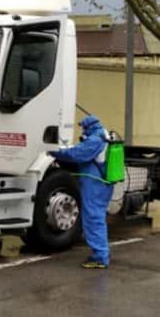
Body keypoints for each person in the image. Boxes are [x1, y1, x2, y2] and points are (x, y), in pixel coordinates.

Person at [49, 114, 114, 269]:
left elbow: (77, 155)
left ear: (88, 126)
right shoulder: (103, 135)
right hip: (101, 184)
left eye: (83, 127)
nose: (82, 130)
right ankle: (102, 253)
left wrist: (53, 151)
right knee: (97, 218)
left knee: (93, 219)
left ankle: (100, 257)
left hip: (95, 184)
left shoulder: (95, 140)